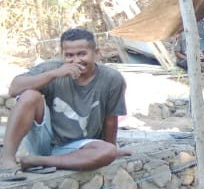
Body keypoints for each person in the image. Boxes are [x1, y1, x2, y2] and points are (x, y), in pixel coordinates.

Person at [1, 27, 129, 179]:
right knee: (29, 95)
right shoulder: (52, 68)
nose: (76, 60)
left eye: (82, 54)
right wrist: (54, 74)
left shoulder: (112, 78)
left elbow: (110, 119)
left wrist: (112, 149)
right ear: (63, 55)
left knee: (108, 151)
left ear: (96, 53)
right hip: (45, 140)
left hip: (79, 148)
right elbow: (14, 88)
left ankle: (38, 161)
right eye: (69, 55)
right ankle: (7, 161)